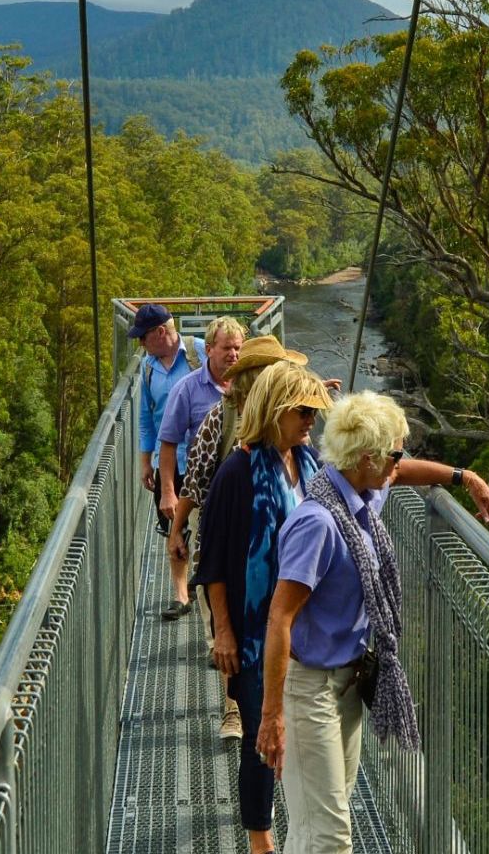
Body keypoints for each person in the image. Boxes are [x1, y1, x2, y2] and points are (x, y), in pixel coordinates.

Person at [258, 391, 489, 853]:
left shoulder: (358, 499)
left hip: (348, 683)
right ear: (367, 458)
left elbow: (405, 473)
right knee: (331, 837)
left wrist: (465, 477)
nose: (400, 461)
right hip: (309, 688)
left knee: (316, 824)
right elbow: (280, 617)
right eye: (394, 453)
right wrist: (271, 716)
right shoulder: (319, 522)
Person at [193, 361, 332, 854]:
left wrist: (455, 477)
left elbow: (374, 472)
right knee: (261, 736)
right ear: (275, 410)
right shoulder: (237, 472)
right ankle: (261, 841)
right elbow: (210, 561)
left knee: (292, 736)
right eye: (302, 410)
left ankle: (298, 827)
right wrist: (223, 633)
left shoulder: (308, 462)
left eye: (315, 411)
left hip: (302, 630)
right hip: (255, 633)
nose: (311, 419)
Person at [175, 333, 314, 743]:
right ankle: (235, 709)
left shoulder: (300, 455)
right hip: (229, 557)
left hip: (287, 608)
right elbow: (198, 479)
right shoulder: (223, 428)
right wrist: (177, 526)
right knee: (241, 672)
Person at [155, 315, 246, 620]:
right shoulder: (187, 389)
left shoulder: (250, 384)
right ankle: (209, 628)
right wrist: (168, 492)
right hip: (200, 485)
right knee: (207, 559)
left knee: (235, 560)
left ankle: (227, 626)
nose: (233, 355)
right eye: (226, 349)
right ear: (208, 349)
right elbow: (167, 443)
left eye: (238, 349)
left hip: (241, 489)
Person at [132, 303, 205, 533]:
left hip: (204, 461)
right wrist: (145, 463)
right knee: (175, 538)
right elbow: (146, 418)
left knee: (206, 532)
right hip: (168, 465)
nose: (140, 344)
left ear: (160, 332)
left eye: (143, 338)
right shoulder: (147, 367)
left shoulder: (202, 352)